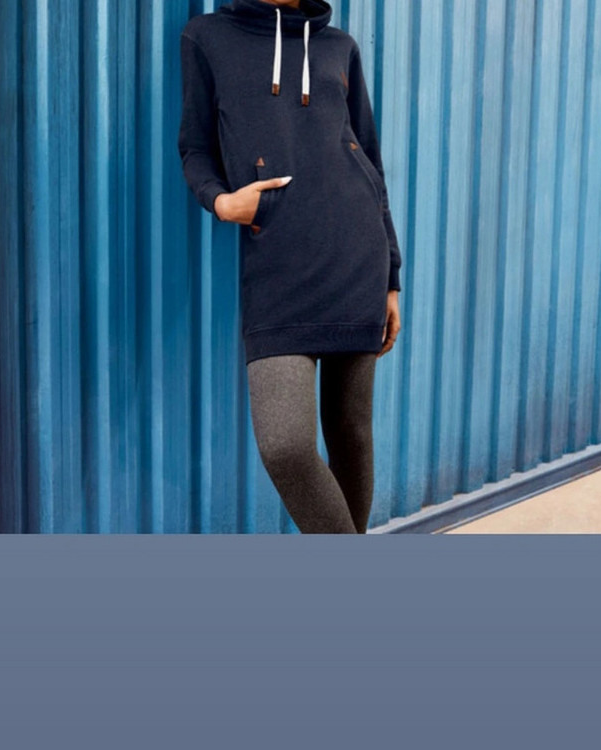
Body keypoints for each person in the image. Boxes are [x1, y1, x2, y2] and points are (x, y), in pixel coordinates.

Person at [178, 0, 402, 533]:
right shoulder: (207, 38)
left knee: (351, 433)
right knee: (286, 446)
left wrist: (392, 277)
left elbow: (369, 160)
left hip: (357, 259)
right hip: (278, 267)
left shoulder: (339, 47)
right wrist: (221, 201)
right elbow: (194, 147)